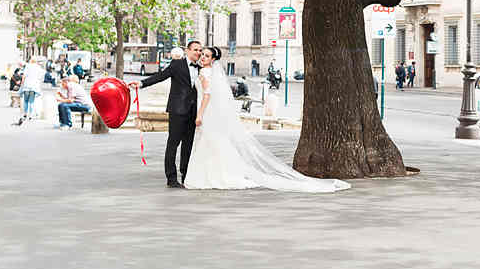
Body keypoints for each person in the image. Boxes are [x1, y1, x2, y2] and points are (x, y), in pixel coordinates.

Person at [183, 46, 349, 192]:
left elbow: (207, 95)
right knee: (214, 143)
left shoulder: (205, 72)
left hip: (207, 112)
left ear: (213, 60)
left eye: (206, 55)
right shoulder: (210, 72)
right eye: (202, 54)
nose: (202, 57)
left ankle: (213, 175)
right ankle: (220, 172)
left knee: (210, 142)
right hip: (212, 113)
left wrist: (199, 115)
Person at [128, 41, 201, 188]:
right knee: (173, 144)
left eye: (200, 50)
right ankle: (171, 178)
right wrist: (141, 84)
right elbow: (161, 76)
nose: (198, 53)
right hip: (177, 110)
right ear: (187, 51)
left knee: (188, 145)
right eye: (195, 50)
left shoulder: (201, 68)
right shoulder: (177, 65)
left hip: (193, 113)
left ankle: (186, 175)